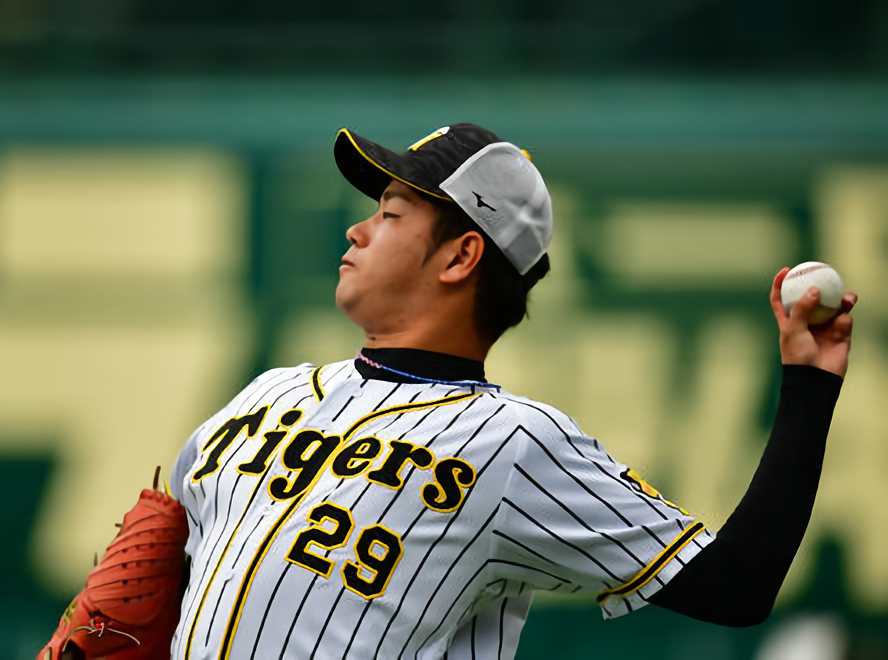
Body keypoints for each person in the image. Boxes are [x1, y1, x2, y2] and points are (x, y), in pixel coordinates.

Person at [57, 123, 858, 659]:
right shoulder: (261, 399)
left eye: (391, 212)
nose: (357, 229)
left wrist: (808, 385)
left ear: (460, 257)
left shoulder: (516, 444)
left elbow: (737, 586)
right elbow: (143, 599)